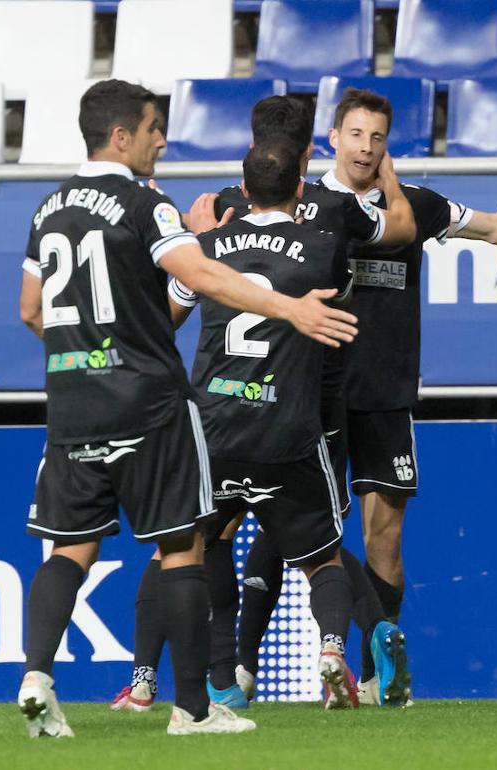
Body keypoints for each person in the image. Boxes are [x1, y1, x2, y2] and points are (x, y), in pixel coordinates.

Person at [233, 88, 497, 705]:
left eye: (377, 137)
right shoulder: (306, 206)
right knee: (290, 526)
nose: (366, 148)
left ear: (386, 144)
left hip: (385, 391)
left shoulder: (417, 206)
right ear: (332, 141)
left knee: (386, 535)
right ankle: (240, 671)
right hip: (313, 392)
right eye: (356, 135)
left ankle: (378, 676)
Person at [17, 79, 356, 737]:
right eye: (152, 128)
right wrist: (292, 308)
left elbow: (31, 311)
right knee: (181, 548)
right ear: (121, 137)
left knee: (69, 549)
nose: (162, 139)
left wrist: (86, 355)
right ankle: (193, 711)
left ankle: (37, 679)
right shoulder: (146, 203)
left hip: (72, 405)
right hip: (149, 404)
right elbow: (199, 276)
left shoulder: (48, 208)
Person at [109, 95, 414, 712]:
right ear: (304, 171)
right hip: (288, 426)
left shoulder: (209, 245)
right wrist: (387, 175)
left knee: (182, 549)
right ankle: (333, 650)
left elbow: (164, 318)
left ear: (243, 178)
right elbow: (396, 231)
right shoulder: (327, 235)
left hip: (213, 427)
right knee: (323, 556)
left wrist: (198, 243)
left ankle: (162, 682)